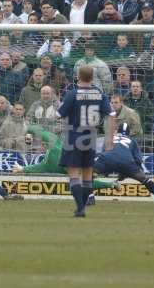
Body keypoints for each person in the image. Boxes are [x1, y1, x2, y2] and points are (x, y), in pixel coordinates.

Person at [57, 65, 115, 217]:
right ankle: (82, 207)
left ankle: (81, 208)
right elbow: (111, 114)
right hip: (91, 138)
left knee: (74, 175)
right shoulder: (100, 94)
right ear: (93, 77)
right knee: (88, 175)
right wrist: (109, 139)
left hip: (74, 137)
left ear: (78, 76)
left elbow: (59, 114)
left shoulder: (72, 94)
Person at [12, 124, 118, 191]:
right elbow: (39, 167)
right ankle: (111, 184)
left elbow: (36, 130)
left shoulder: (52, 153)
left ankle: (109, 184)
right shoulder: (53, 144)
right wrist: (23, 169)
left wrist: (29, 133)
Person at [94, 123, 154, 208]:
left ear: (117, 131)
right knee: (145, 180)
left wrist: (105, 171)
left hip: (107, 159)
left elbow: (105, 153)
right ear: (129, 133)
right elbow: (138, 160)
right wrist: (125, 173)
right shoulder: (132, 141)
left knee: (88, 176)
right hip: (126, 162)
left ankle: (90, 197)